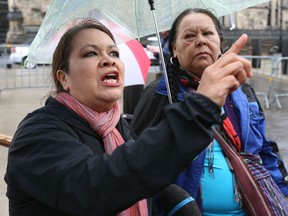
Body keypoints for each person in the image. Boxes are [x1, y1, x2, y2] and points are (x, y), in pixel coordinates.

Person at [4, 19, 251, 216]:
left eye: (114, 52)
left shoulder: (119, 127)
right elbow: (97, 187)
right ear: (64, 78)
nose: (108, 59)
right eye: (90, 53)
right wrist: (199, 107)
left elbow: (141, 171)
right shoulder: (37, 133)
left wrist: (176, 199)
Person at [131, 8, 288, 215]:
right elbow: (139, 160)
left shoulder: (241, 90)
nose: (200, 41)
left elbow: (264, 149)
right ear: (175, 49)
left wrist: (283, 193)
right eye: (189, 36)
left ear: (219, 42)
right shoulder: (159, 94)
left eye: (207, 33)